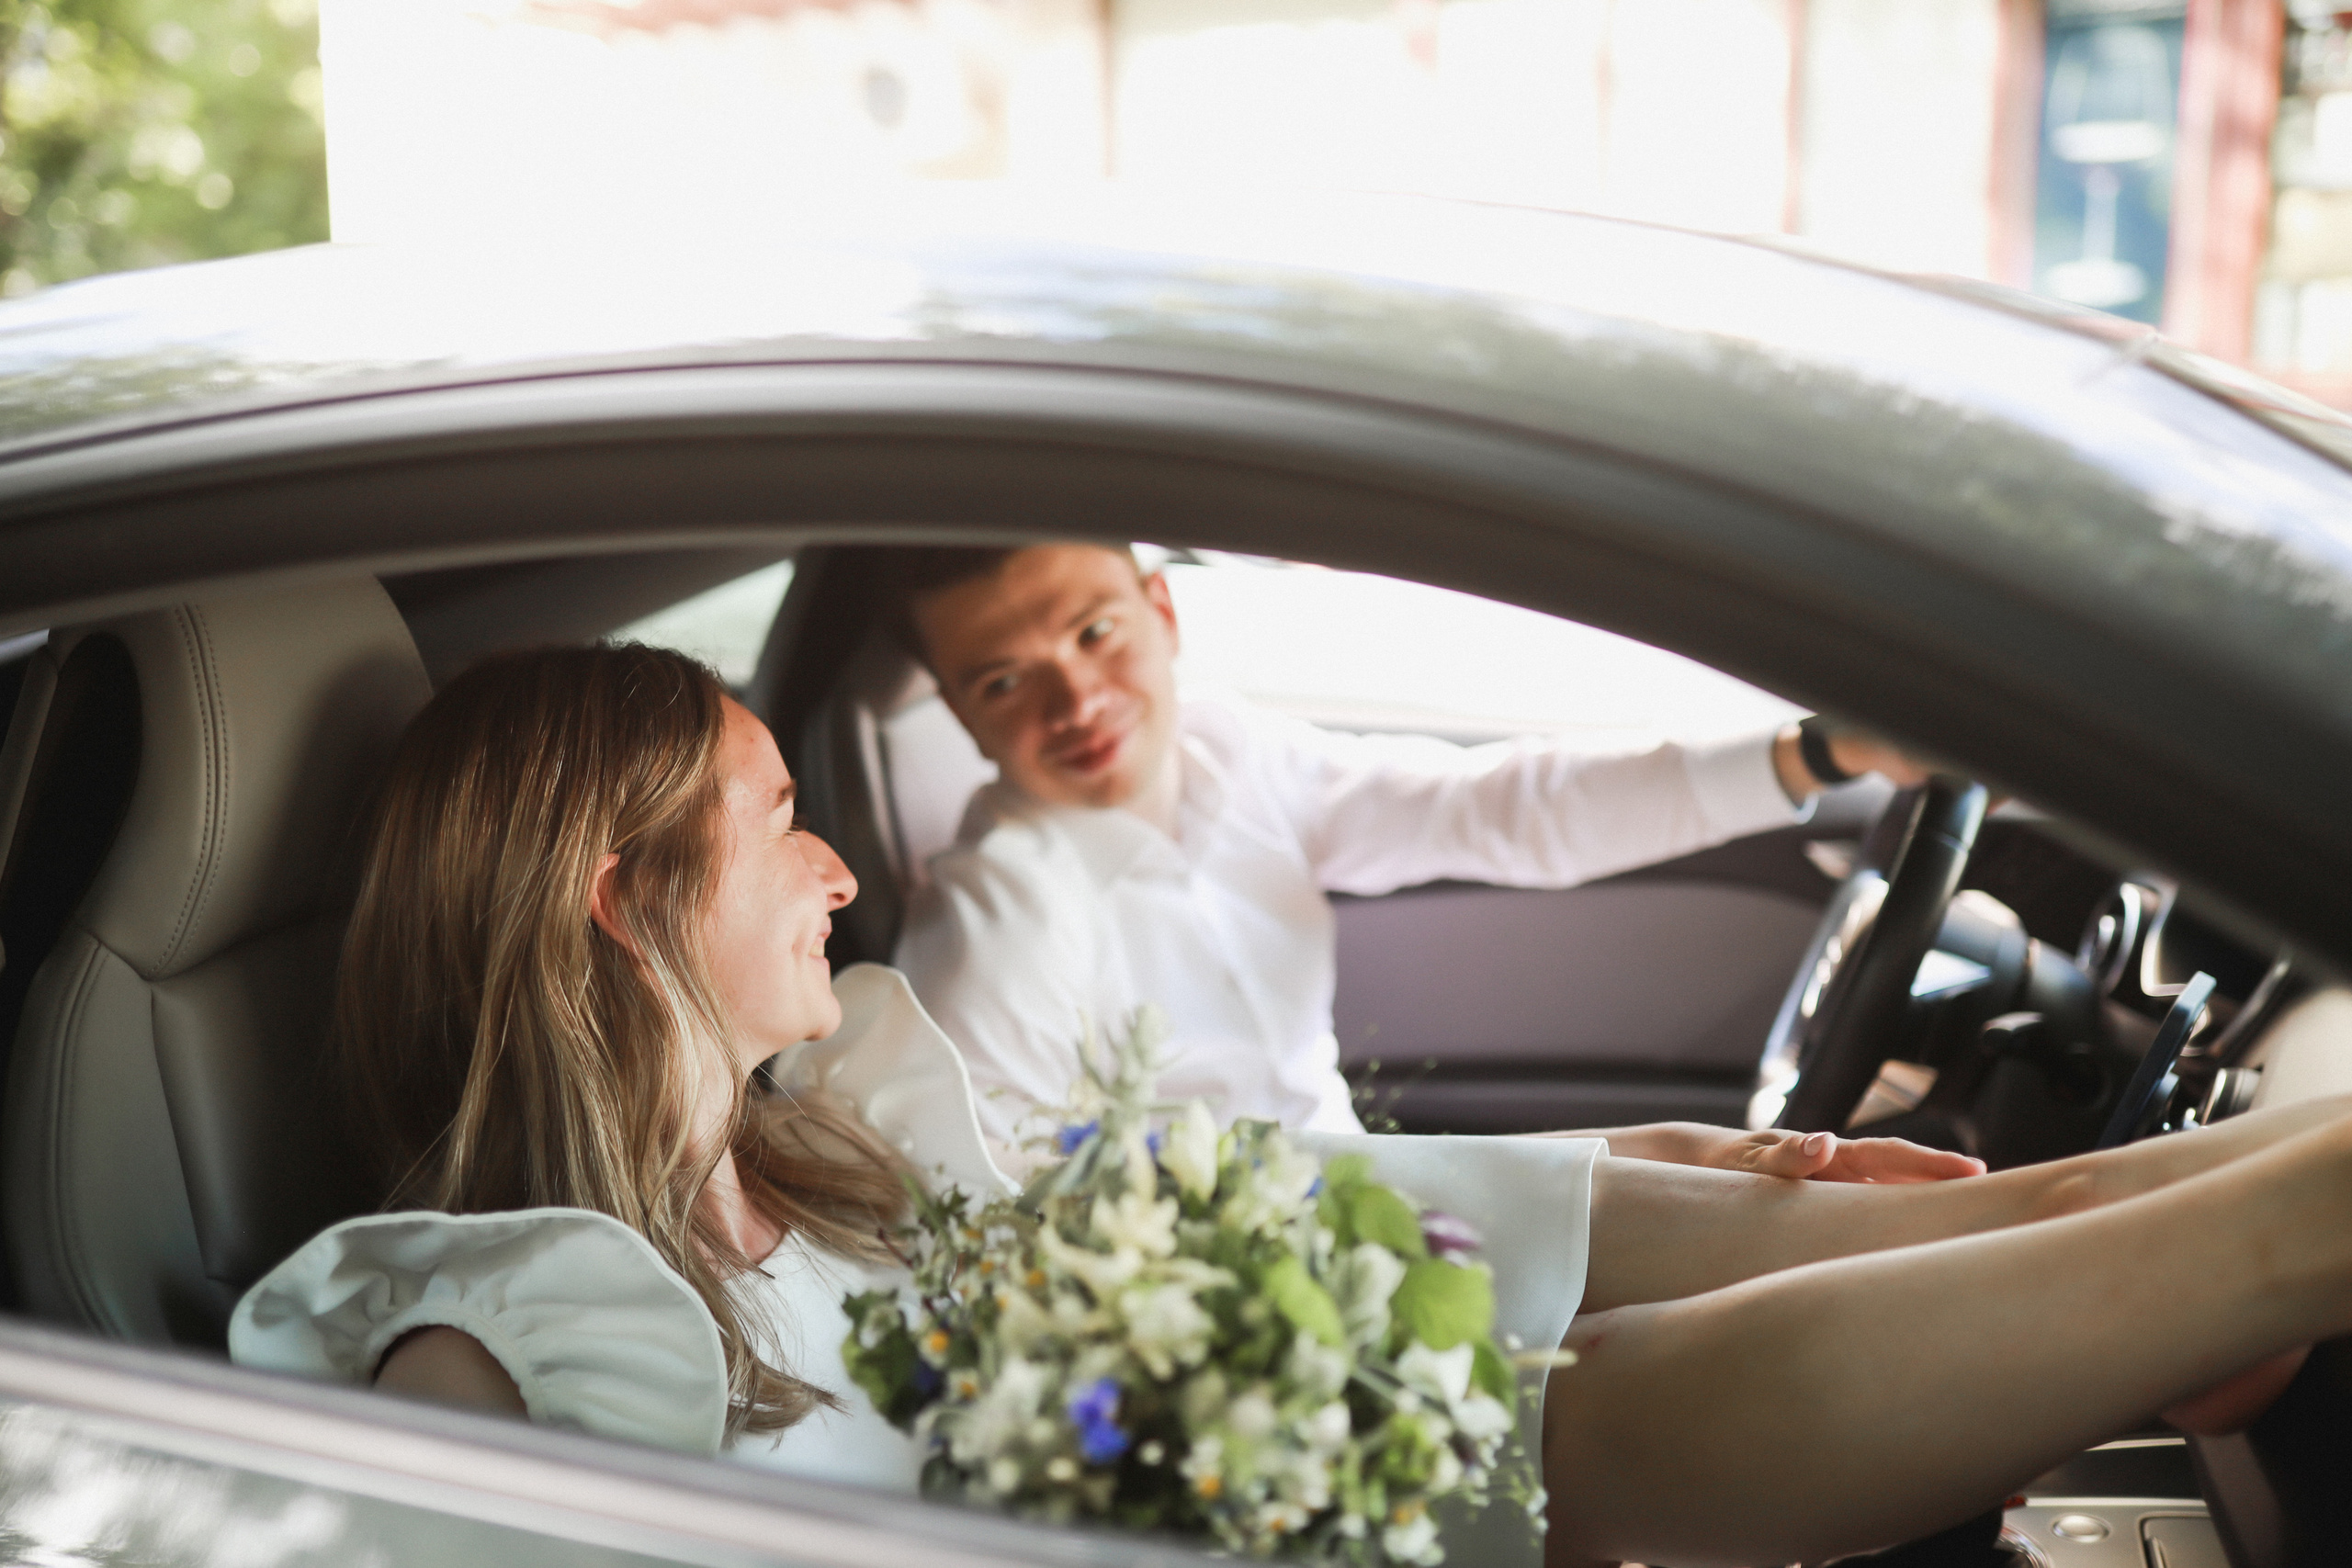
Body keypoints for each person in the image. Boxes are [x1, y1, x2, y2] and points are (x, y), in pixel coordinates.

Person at [235, 643, 2352, 1568]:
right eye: (776, 821)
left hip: (1187, 1406)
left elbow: (1129, 1212)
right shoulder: (503, 1317)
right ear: (621, 902)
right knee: (1526, 1412)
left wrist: (1648, 1171)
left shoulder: (834, 1135)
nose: (837, 864)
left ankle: (2232, 1192)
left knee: (1647, 1236)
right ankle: (2281, 1219)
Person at [887, 542, 1959, 1178]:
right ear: (962, 719)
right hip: (1218, 1308)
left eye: (1093, 633)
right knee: (1734, 1189)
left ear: (1161, 614)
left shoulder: (1233, 753)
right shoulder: (993, 923)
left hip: (1369, 1200)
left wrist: (1819, 751)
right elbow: (985, 1211)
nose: (1077, 701)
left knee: (1764, 1188)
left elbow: (1501, 809)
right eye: (1003, 683)